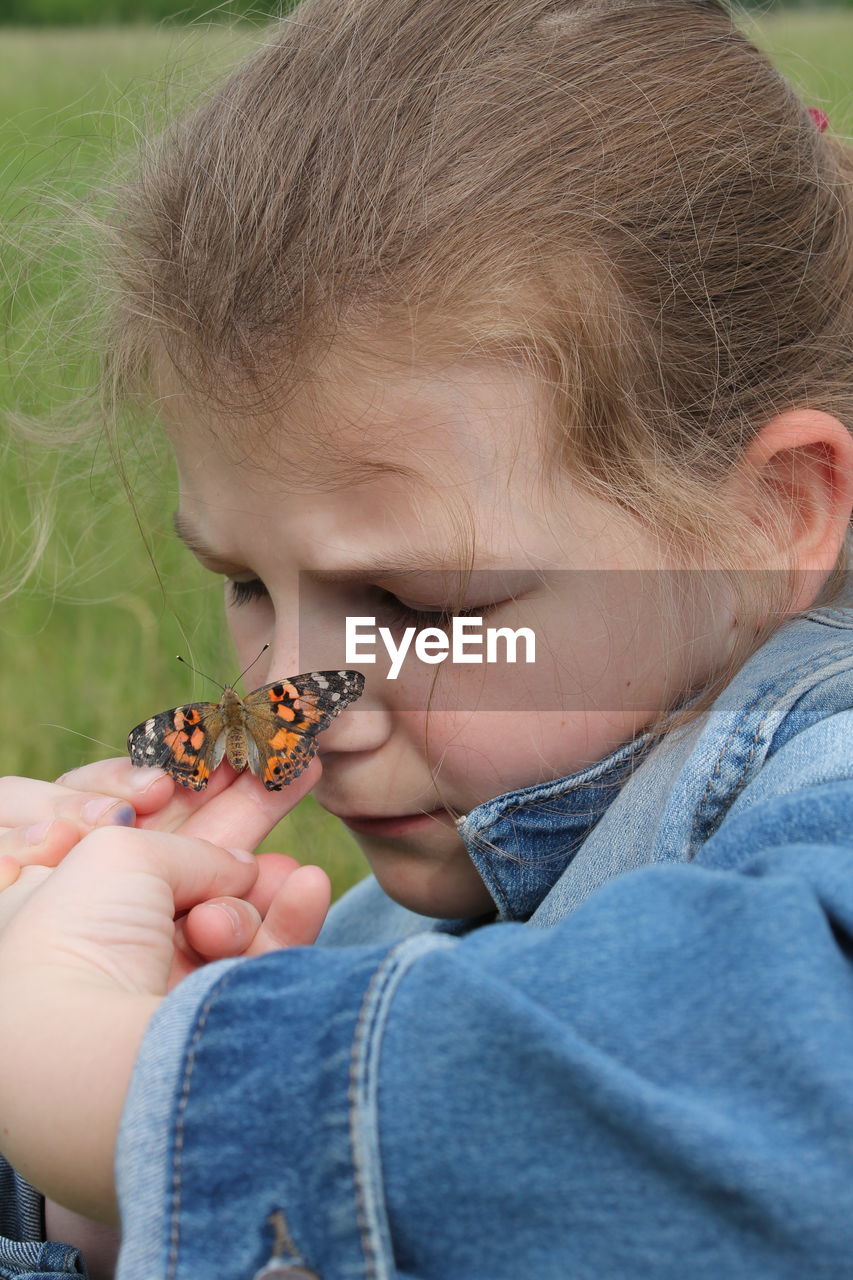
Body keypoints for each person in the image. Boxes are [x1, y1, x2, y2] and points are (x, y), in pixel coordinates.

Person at [1, 0, 853, 1275]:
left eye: (417, 607)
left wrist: (115, 1082)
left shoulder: (820, 779)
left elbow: (789, 1089)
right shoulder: (371, 937)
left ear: (765, 516)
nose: (294, 703)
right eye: (242, 578)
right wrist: (105, 1204)